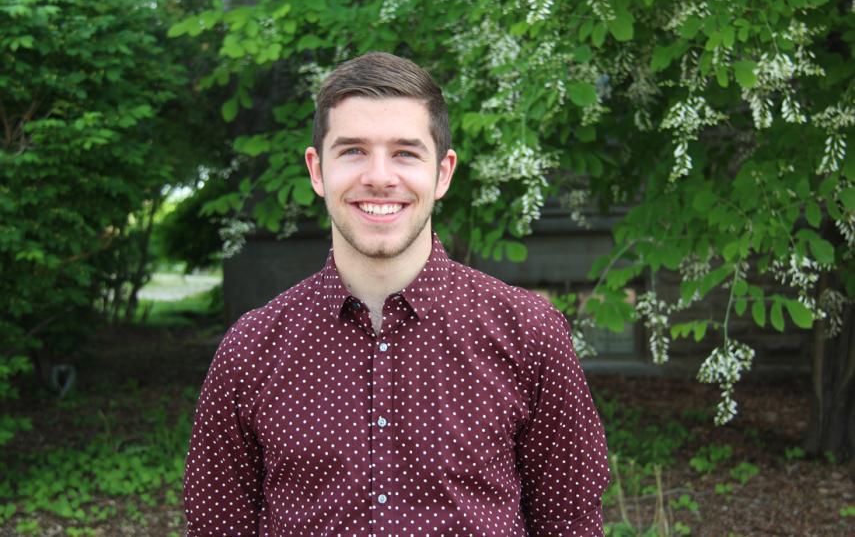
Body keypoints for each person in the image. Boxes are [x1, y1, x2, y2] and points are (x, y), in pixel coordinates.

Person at [183, 52, 610, 536]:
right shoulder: (251, 349)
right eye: (352, 151)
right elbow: (216, 525)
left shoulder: (529, 334)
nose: (380, 177)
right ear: (317, 170)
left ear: (443, 173)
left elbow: (569, 521)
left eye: (405, 152)